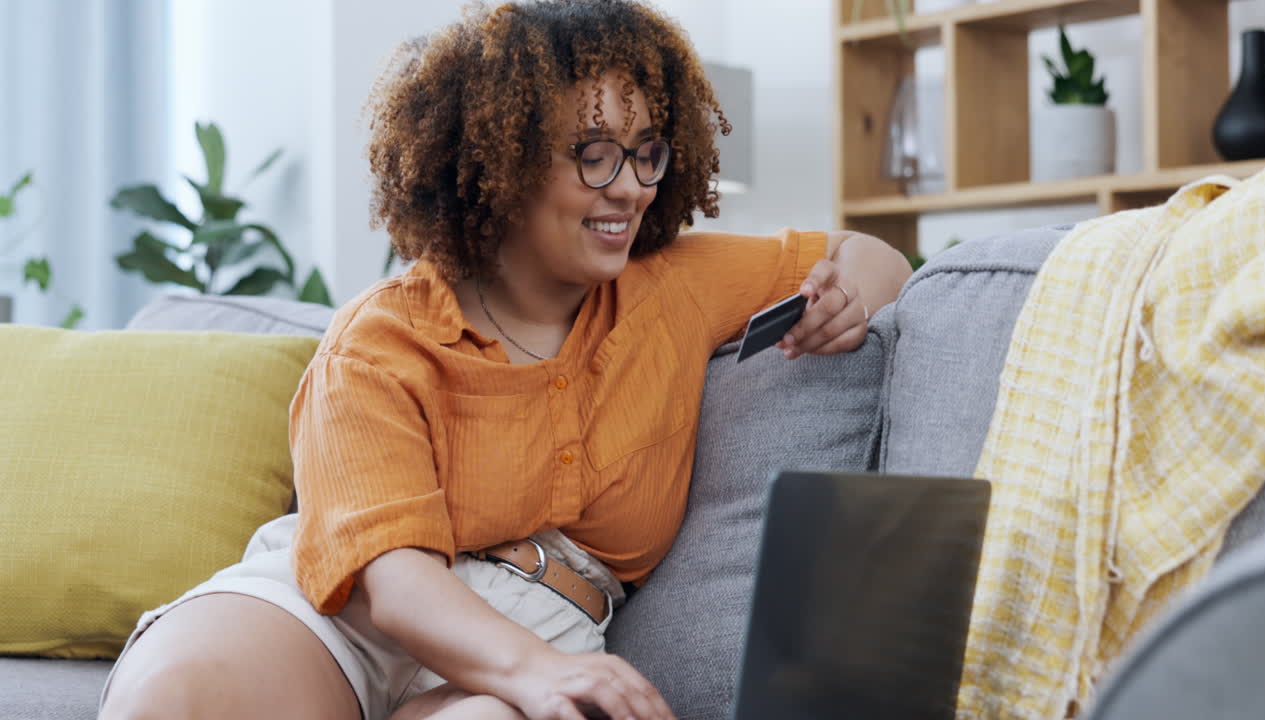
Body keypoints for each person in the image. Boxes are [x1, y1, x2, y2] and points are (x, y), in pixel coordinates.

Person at [98, 2, 912, 719]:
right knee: (175, 699)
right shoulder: (380, 342)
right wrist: (539, 672)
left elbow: (874, 256)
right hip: (346, 618)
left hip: (533, 636)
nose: (629, 187)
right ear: (500, 162)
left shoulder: (674, 286)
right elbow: (391, 577)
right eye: (593, 152)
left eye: (646, 151)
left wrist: (849, 297)